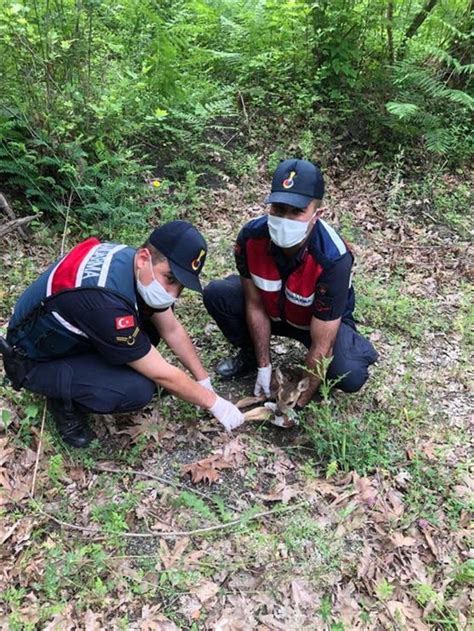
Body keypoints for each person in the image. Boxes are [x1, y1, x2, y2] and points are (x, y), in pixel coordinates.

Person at [2, 221, 244, 447]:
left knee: (149, 325)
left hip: (68, 333)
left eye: (180, 286)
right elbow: (163, 375)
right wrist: (215, 403)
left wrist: (202, 379)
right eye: (170, 279)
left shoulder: (133, 264)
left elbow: (170, 328)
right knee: (136, 389)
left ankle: (83, 373)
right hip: (32, 357)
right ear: (143, 258)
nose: (173, 293)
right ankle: (63, 399)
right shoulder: (106, 303)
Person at [203, 159, 378, 412]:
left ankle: (324, 376)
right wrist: (265, 366)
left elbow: (323, 342)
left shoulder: (333, 258)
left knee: (349, 371)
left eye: (296, 212)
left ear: (317, 215)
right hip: (271, 309)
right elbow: (253, 302)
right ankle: (251, 356)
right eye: (278, 208)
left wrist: (297, 399)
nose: (285, 219)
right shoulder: (251, 238)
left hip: (315, 324)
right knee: (218, 295)